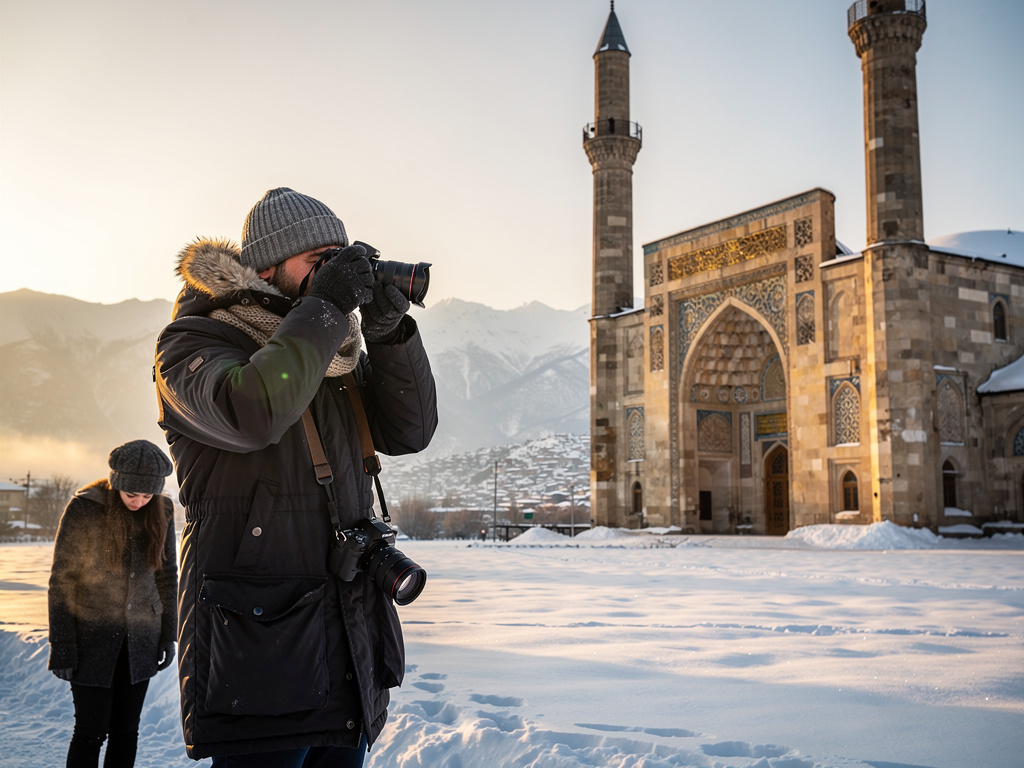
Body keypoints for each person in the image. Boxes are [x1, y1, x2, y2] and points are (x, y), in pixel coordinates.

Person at [154, 187, 438, 766]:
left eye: (342, 260)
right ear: (266, 268)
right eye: (318, 261)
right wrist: (326, 311)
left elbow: (410, 433)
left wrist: (386, 335)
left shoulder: (334, 358)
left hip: (347, 642)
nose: (335, 276)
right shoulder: (193, 342)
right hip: (261, 655)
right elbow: (251, 412)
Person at [48, 439, 178, 768]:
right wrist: (62, 642)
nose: (139, 502)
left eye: (147, 496)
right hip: (90, 640)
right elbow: (62, 578)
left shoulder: (162, 511)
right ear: (116, 482)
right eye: (131, 494)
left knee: (126, 730)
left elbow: (167, 576)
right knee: (90, 731)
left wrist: (167, 634)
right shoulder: (85, 508)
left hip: (141, 641)